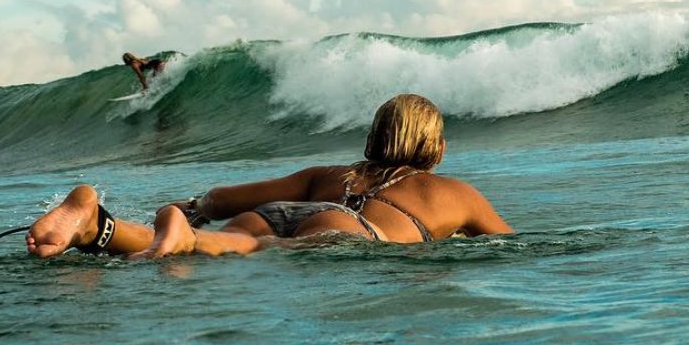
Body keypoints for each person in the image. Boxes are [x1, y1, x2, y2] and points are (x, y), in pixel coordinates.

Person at [25, 93, 512, 259]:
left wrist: (194, 208)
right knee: (251, 251)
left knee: (223, 239)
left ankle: (95, 225)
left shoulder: (328, 173)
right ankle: (180, 236)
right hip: (350, 230)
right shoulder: (457, 194)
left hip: (279, 212)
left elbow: (221, 200)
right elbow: (511, 246)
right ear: (438, 149)